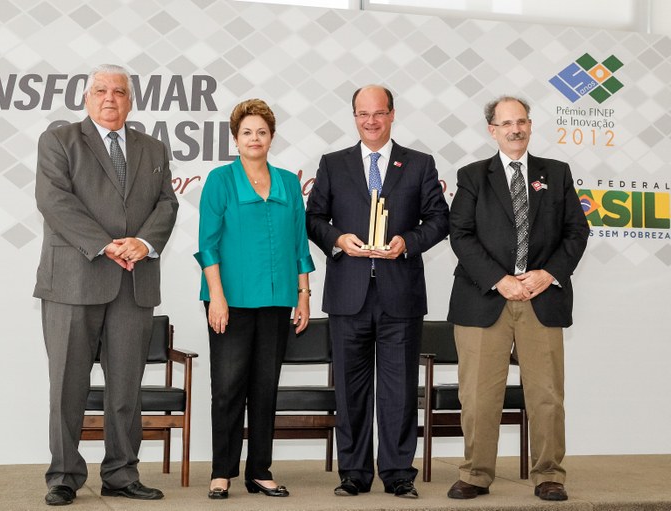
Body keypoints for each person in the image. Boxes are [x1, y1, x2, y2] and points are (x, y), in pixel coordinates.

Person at [34, 64, 178, 506]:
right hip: (74, 281)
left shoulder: (153, 148)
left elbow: (166, 203)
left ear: (130, 100)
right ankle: (63, 476)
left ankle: (121, 473)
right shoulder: (59, 140)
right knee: (68, 386)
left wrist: (143, 242)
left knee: (125, 389)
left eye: (119, 91)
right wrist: (105, 245)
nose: (110, 98)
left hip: (133, 283)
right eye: (101, 90)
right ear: (86, 98)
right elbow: (54, 200)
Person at [305, 85, 449, 498]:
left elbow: (439, 220)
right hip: (348, 292)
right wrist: (338, 239)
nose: (371, 121)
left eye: (379, 113)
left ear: (392, 114)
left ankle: (399, 472)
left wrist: (408, 242)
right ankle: (353, 472)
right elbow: (313, 218)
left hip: (399, 293)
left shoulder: (419, 164)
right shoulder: (334, 164)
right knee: (350, 390)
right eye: (363, 114)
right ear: (354, 117)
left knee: (399, 388)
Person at [446, 96, 589, 502]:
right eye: (506, 123)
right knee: (477, 395)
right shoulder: (473, 175)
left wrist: (550, 274)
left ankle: (549, 475)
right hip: (483, 298)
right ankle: (475, 474)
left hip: (541, 299)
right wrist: (499, 279)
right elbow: (461, 234)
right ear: (492, 130)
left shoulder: (556, 173)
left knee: (546, 395)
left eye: (522, 121)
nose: (516, 129)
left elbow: (577, 232)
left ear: (530, 125)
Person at [194, 99, 315, 500]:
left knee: (265, 388)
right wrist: (216, 297)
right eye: (247, 132)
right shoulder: (220, 180)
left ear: (272, 137)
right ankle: (222, 472)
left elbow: (300, 245)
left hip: (278, 300)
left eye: (262, 132)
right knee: (228, 387)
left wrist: (304, 296)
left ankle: (259, 470)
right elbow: (207, 245)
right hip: (230, 300)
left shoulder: (287, 183)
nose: (255, 138)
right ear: (235, 138)